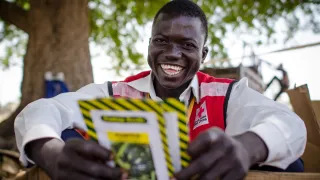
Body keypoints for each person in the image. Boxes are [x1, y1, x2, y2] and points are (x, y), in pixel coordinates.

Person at [14, 1, 306, 180]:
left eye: (187, 45)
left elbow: (290, 125)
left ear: (204, 55)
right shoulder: (116, 92)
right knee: (65, 139)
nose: (172, 53)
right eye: (161, 41)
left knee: (286, 161)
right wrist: (52, 154)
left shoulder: (227, 95)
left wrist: (245, 148)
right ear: (150, 45)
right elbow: (42, 111)